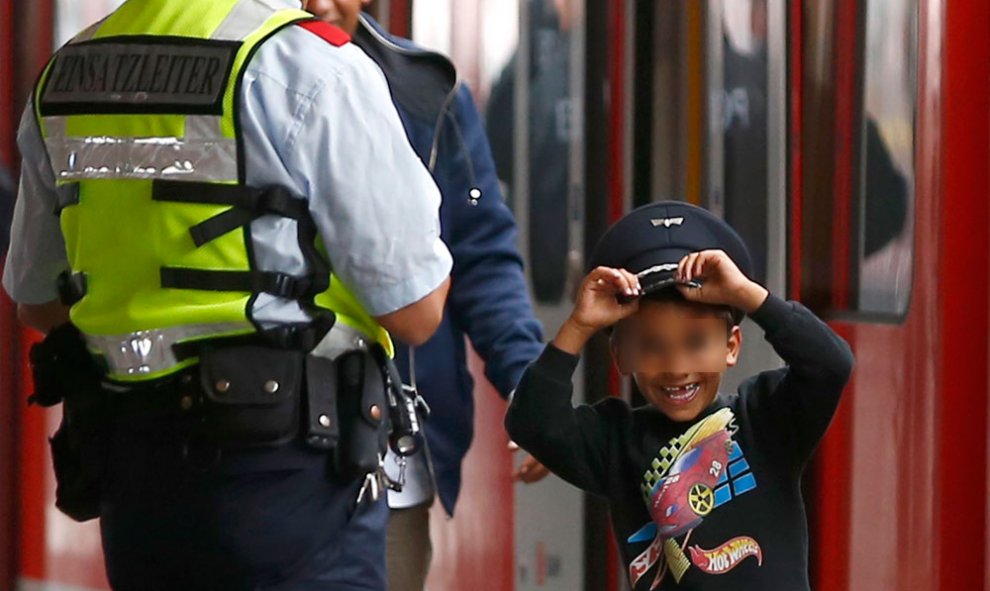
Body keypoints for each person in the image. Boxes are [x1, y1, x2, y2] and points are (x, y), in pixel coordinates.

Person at [3, 0, 453, 589]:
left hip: (134, 475)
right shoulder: (307, 64)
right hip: (290, 471)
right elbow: (415, 309)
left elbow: (36, 299)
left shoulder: (69, 72)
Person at [304, 2, 546, 589]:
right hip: (253, 430)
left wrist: (531, 384)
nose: (315, 4)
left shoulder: (423, 92)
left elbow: (481, 251)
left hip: (385, 451)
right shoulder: (240, 78)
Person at [506, 201, 854, 590]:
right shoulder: (615, 440)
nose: (676, 366)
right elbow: (532, 423)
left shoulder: (767, 419)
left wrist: (747, 295)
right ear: (620, 356)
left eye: (695, 342)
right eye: (652, 346)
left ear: (732, 346)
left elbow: (831, 364)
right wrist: (578, 325)